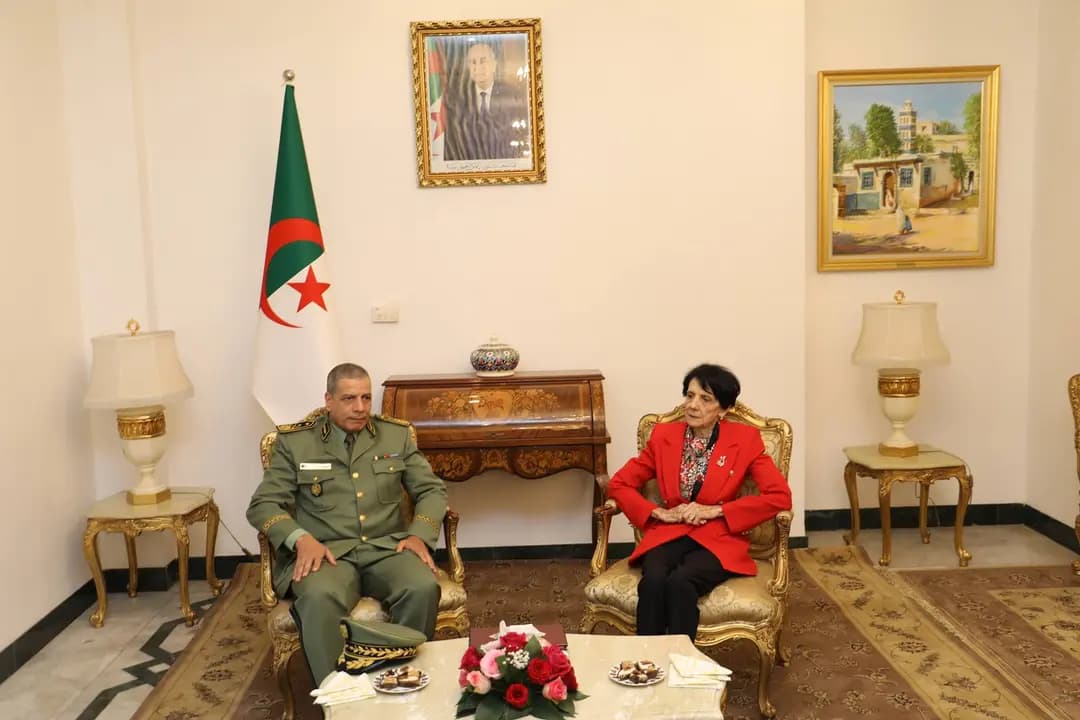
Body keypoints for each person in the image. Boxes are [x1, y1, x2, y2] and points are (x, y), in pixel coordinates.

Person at [246, 362, 447, 684]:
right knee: (318, 597)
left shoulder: (394, 436)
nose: (360, 408)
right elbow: (263, 504)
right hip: (326, 552)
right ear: (329, 400)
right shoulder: (296, 443)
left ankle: (397, 680)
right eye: (349, 399)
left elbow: (431, 490)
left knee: (421, 587)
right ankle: (338, 694)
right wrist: (300, 539)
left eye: (366, 398)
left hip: (387, 547)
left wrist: (420, 534)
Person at [606, 364, 792, 639]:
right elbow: (619, 484)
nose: (693, 405)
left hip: (717, 536)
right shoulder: (663, 437)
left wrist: (717, 510)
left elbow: (779, 496)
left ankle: (684, 667)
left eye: (705, 399)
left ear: (724, 409)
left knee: (681, 582)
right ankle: (647, 665)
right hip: (669, 533)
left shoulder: (744, 440)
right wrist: (657, 512)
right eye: (689, 395)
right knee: (654, 582)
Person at [443, 40, 529, 161]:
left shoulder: (512, 96)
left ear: (494, 65)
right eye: (473, 62)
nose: (478, 67)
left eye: (483, 61)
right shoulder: (456, 99)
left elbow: (521, 138)